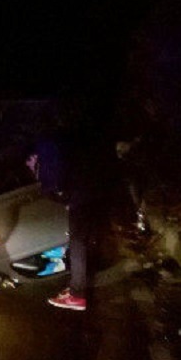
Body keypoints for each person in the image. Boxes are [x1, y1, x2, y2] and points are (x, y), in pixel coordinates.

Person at [27, 132, 109, 311]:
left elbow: (51, 186)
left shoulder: (45, 150)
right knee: (84, 243)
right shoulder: (66, 141)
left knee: (78, 245)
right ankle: (77, 288)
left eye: (29, 161)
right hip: (93, 193)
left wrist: (38, 173)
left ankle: (77, 295)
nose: (28, 164)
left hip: (81, 198)